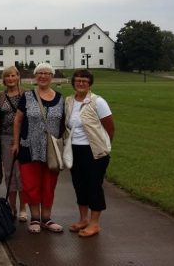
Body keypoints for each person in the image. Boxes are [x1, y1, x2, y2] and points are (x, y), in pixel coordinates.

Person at [11, 63, 65, 234]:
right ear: (35, 76)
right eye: (40, 73)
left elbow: (64, 124)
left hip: (51, 149)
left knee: (49, 184)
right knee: (31, 184)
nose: (43, 76)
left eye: (47, 73)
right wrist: (16, 142)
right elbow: (18, 120)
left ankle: (46, 218)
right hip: (29, 147)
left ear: (52, 76)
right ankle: (35, 217)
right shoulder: (27, 96)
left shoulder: (61, 98)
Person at [65, 69, 115, 238]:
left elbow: (109, 126)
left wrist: (105, 146)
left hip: (94, 152)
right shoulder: (69, 101)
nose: (80, 83)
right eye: (78, 80)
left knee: (94, 186)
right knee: (79, 185)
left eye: (84, 81)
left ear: (90, 84)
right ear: (73, 83)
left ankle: (95, 224)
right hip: (75, 150)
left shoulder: (97, 102)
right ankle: (83, 219)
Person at [0, 66, 27, 221]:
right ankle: (12, 206)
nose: (10, 78)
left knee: (21, 173)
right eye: (7, 76)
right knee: (9, 173)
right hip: (5, 138)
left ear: (18, 77)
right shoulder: (0, 96)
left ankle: (23, 208)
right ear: (4, 79)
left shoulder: (26, 94)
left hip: (24, 139)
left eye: (13, 75)